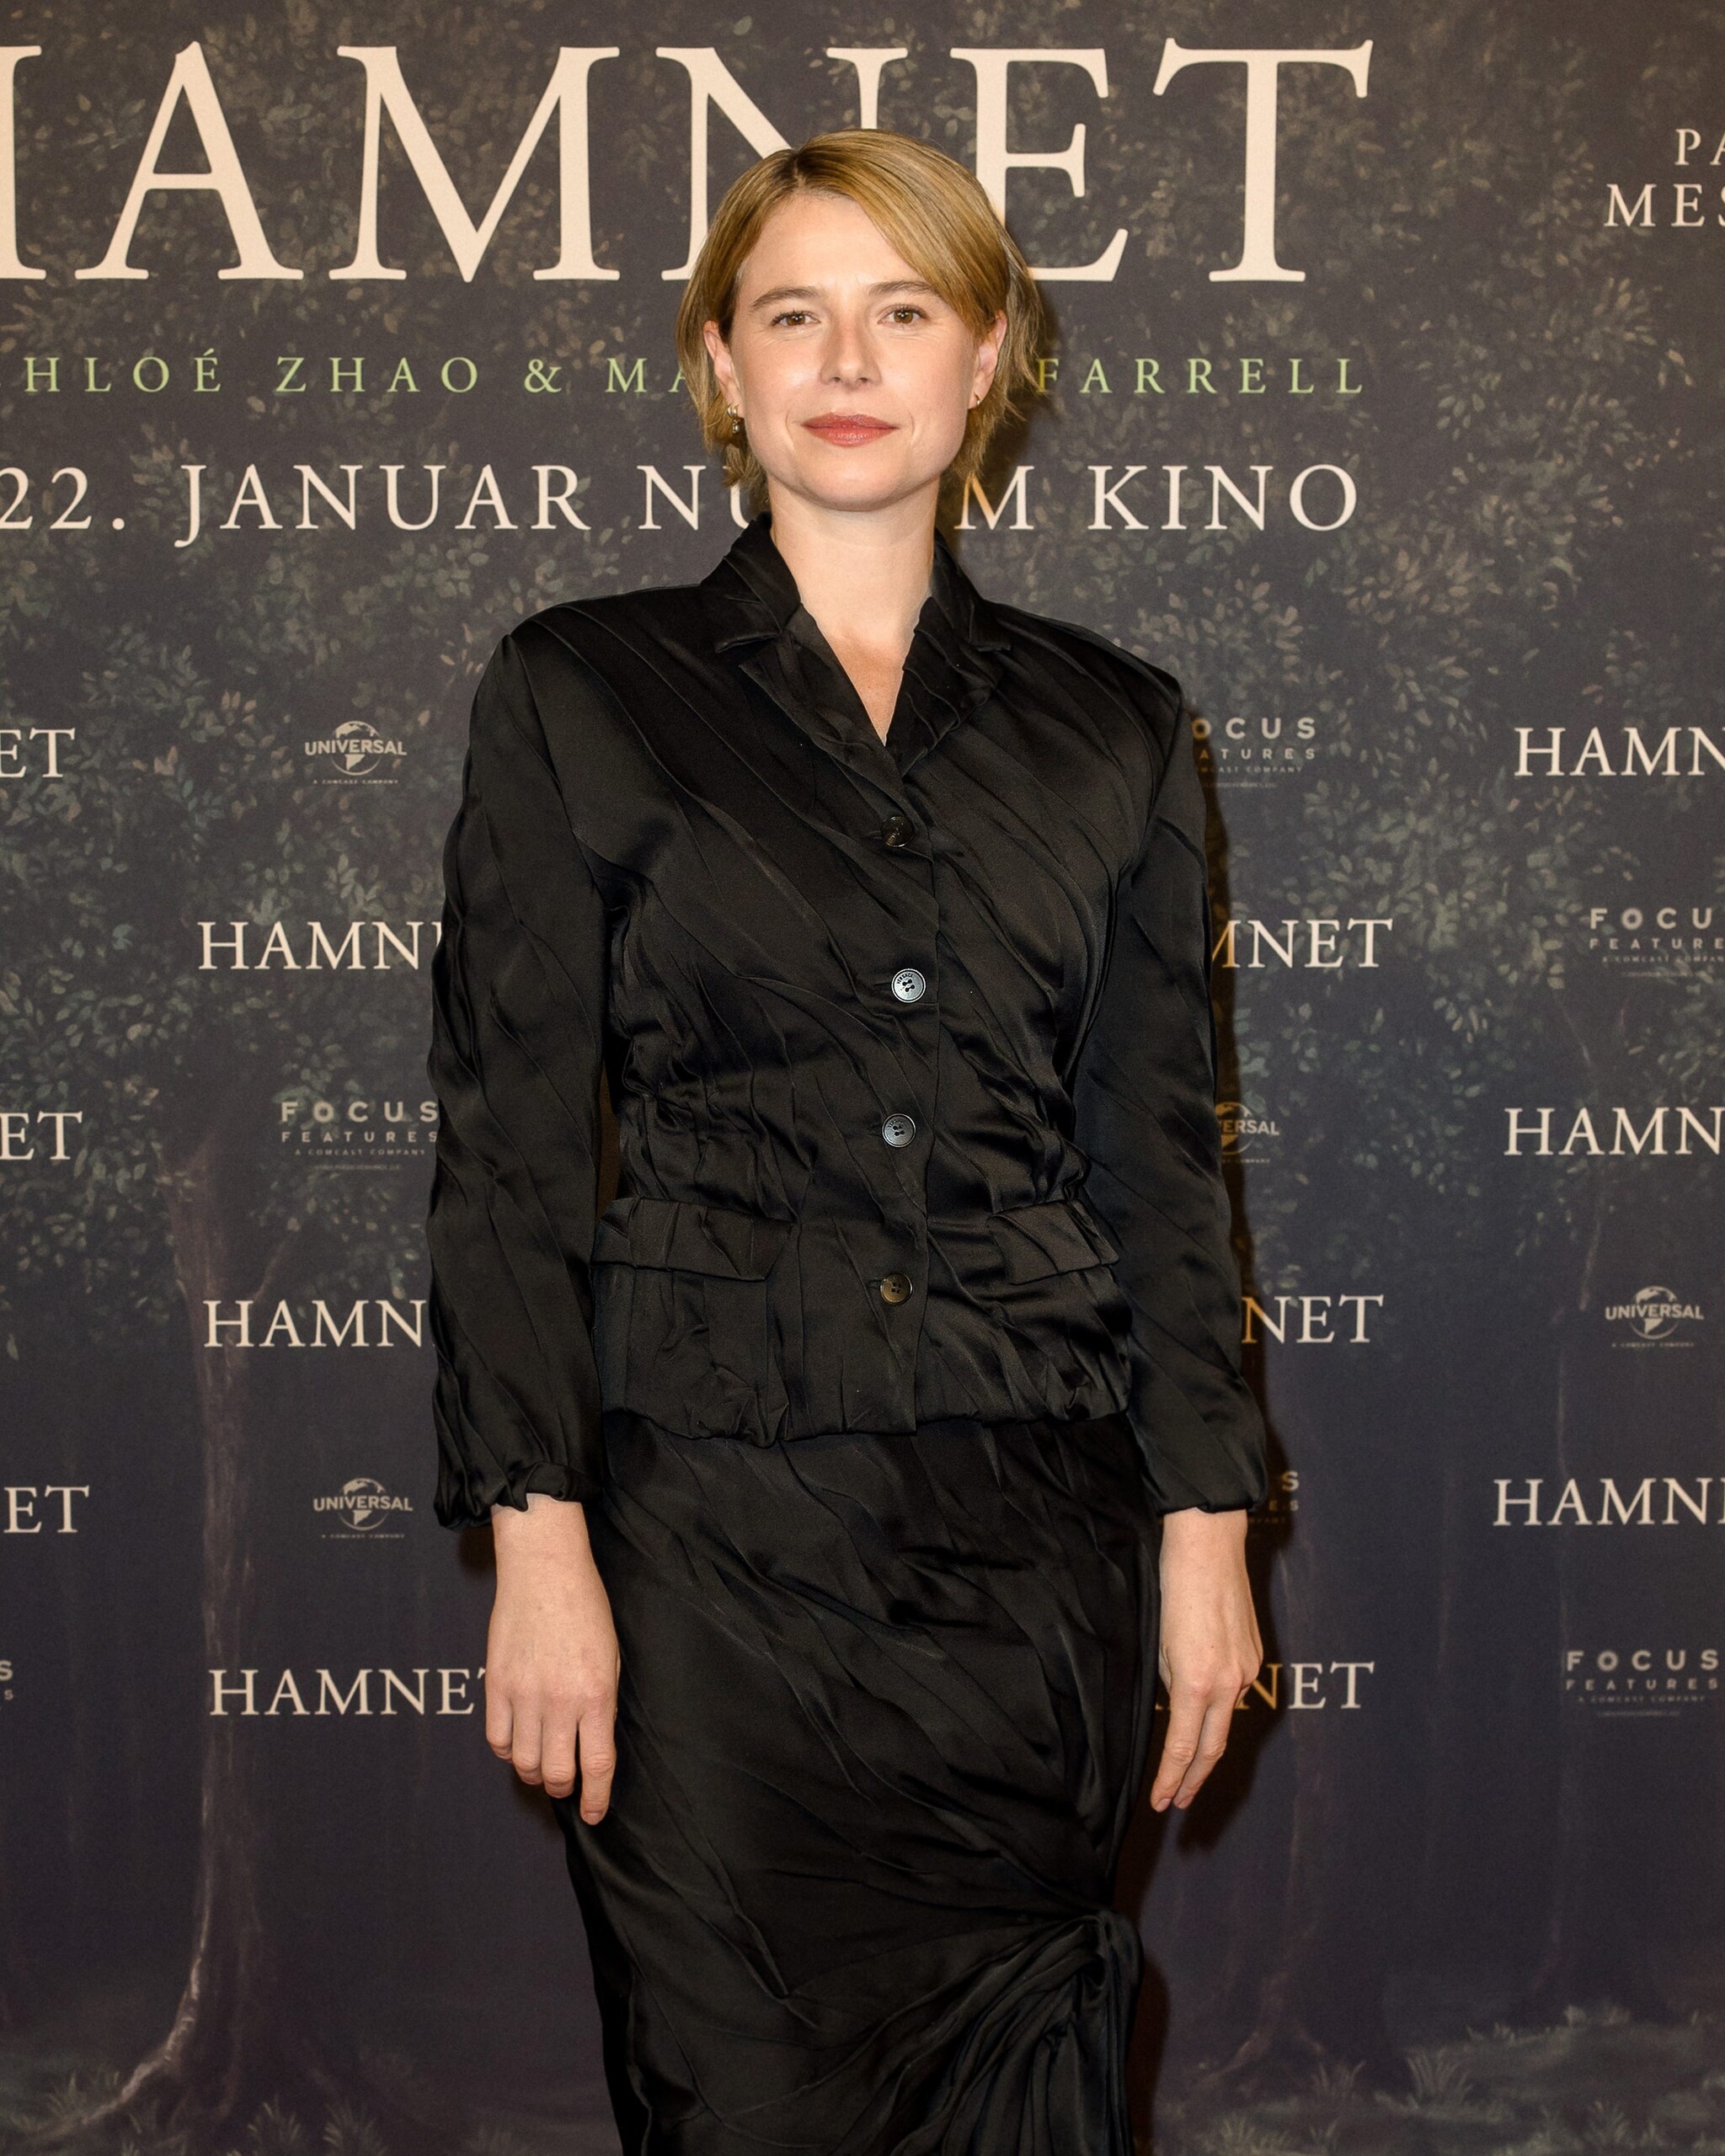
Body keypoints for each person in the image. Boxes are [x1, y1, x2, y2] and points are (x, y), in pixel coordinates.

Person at [425, 127, 1267, 2155]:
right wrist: (537, 1537)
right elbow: (511, 1147)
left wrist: (1206, 1532)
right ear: (722, 365)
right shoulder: (579, 689)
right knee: (739, 2101)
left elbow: (1159, 1161)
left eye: (902, 308)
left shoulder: (1115, 726)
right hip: (707, 1554)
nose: (848, 358)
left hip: (1031, 1557)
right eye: (792, 313)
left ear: (987, 355)